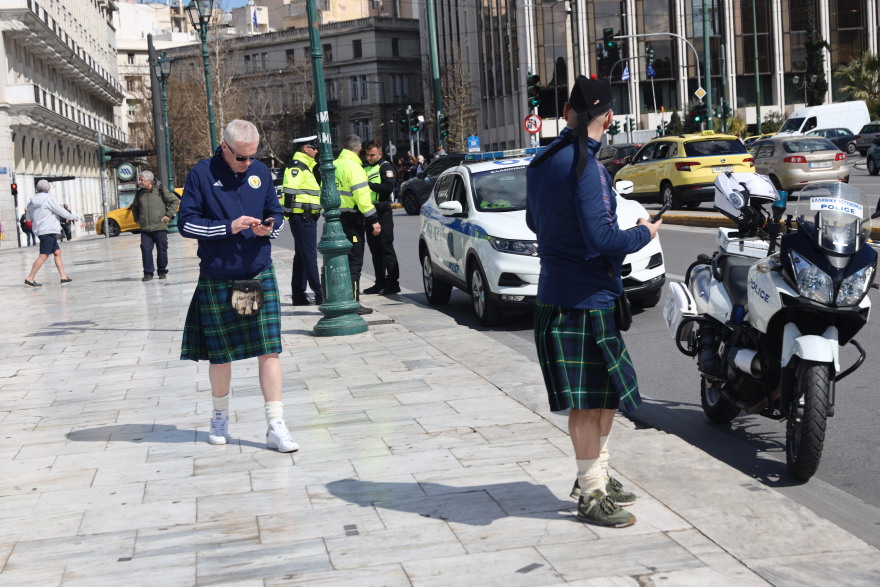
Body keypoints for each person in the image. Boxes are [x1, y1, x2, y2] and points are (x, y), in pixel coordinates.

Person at [526, 76, 662, 528]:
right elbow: (603, 237)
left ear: (567, 112)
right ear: (608, 117)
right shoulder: (587, 166)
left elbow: (534, 219)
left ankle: (598, 478)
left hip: (565, 295)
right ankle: (589, 494)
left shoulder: (543, 160)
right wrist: (644, 233)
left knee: (601, 398)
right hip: (581, 300)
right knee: (588, 405)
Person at [178, 119, 298, 453]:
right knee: (220, 355)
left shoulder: (260, 171)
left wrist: (269, 228)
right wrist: (227, 227)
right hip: (218, 275)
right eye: (241, 158)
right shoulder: (201, 174)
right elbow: (185, 223)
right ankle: (219, 417)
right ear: (224, 147)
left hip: (259, 270)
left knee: (270, 349)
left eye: (251, 157)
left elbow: (276, 212)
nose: (247, 164)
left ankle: (276, 425)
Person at [334, 134, 380, 315]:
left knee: (339, 261)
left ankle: (339, 298)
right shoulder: (355, 168)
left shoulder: (334, 165)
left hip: (336, 219)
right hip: (353, 220)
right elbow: (362, 198)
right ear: (359, 149)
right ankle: (353, 302)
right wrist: (374, 220)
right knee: (354, 261)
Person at [281, 135, 323, 306]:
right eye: (314, 147)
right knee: (309, 256)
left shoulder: (306, 167)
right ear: (305, 149)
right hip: (302, 217)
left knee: (302, 256)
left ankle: (298, 294)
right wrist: (289, 214)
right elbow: (289, 191)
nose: (317, 151)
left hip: (305, 217)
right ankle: (320, 293)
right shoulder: (297, 167)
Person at [362, 140, 400, 295]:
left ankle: (393, 283)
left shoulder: (386, 167)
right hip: (368, 211)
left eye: (372, 155)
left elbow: (388, 187)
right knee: (375, 250)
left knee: (386, 248)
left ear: (380, 153)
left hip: (382, 211)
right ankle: (379, 282)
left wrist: (367, 185)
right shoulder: (364, 166)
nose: (369, 157)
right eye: (367, 154)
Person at [24, 180, 78, 287]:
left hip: (41, 230)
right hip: (48, 230)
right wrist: (73, 217)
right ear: (48, 189)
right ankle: (30, 278)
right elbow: (60, 210)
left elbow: (28, 217)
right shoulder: (49, 199)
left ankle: (63, 276)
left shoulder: (31, 202)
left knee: (57, 252)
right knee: (43, 256)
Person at [131, 170, 179, 282]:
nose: (140, 182)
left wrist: (168, 215)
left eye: (142, 180)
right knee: (145, 250)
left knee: (162, 250)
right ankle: (148, 273)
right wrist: (138, 219)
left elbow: (175, 201)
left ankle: (162, 271)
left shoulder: (161, 190)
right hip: (145, 228)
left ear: (149, 181)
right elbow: (134, 207)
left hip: (160, 226)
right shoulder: (140, 193)